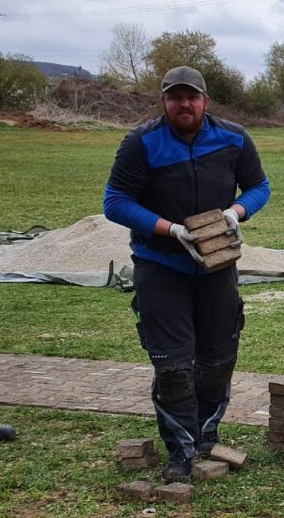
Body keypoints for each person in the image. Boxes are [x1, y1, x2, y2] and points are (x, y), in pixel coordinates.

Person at [104, 66, 271, 483]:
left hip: (216, 266)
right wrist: (170, 229)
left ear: (205, 101)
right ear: (164, 101)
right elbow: (115, 202)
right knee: (174, 364)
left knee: (218, 357)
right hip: (161, 265)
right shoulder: (143, 143)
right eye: (176, 97)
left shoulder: (233, 138)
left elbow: (260, 187)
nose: (185, 104)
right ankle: (180, 450)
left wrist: (237, 212)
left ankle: (205, 437)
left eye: (192, 97)